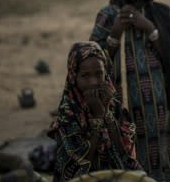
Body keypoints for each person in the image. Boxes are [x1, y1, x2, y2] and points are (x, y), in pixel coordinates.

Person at [89, 0, 170, 181]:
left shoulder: (162, 13)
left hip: (162, 117)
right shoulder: (108, 15)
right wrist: (115, 35)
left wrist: (150, 28)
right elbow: (90, 67)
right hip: (122, 117)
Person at [48, 41, 142, 181]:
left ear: (106, 73)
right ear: (74, 76)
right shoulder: (69, 110)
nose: (93, 82)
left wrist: (106, 113)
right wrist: (98, 117)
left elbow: (124, 150)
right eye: (85, 75)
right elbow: (81, 159)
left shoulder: (112, 103)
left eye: (99, 74)